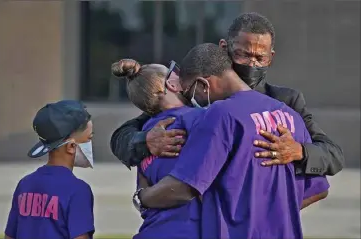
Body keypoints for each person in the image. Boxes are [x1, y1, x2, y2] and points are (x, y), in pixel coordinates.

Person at [110, 12, 344, 176]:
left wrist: (300, 151)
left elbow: (333, 155)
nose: (252, 63)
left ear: (271, 57)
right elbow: (122, 136)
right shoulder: (196, 95)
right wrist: (145, 141)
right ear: (224, 48)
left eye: (260, 58)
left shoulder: (284, 101)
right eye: (243, 54)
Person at [135, 43, 330, 239]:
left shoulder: (220, 114)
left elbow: (185, 188)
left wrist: (142, 198)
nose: (192, 101)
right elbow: (317, 190)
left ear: (203, 84)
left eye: (189, 92)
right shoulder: (289, 115)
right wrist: (269, 215)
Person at [111, 59, 202, 239]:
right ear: (171, 84)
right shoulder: (197, 118)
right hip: (186, 232)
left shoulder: (146, 131)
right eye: (176, 73)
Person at [4, 100, 95, 239]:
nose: (90, 144)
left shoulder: (25, 184)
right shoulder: (78, 190)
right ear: (71, 147)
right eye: (89, 138)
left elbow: (9, 236)